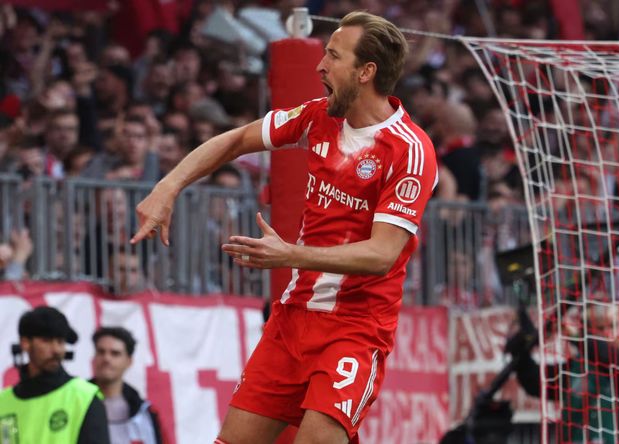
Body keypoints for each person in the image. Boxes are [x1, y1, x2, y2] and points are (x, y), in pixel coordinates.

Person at [131, 11, 438, 444]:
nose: (320, 66)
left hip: (355, 328)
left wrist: (290, 254)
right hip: (292, 319)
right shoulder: (318, 116)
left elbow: (381, 254)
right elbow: (236, 139)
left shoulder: (409, 150)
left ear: (366, 72)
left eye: (333, 56)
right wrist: (168, 186)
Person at [506, 300, 619, 443]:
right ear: (588, 331)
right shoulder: (578, 367)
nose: (608, 333)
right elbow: (536, 383)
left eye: (613, 325)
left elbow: (608, 357)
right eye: (600, 328)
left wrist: (574, 335)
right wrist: (521, 349)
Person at [0, 306, 110, 444]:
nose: (57, 350)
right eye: (47, 340)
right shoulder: (3, 403)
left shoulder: (83, 397)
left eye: (61, 341)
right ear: (25, 343)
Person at [91, 326, 163, 444]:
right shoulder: (76, 401)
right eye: (101, 352)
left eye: (115, 353)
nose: (106, 358)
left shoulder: (144, 413)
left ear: (129, 361)